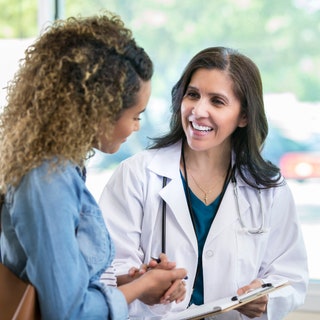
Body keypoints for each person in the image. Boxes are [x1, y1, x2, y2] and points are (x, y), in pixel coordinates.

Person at [0, 12, 188, 320]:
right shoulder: (47, 182)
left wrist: (134, 283)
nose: (137, 127)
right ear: (99, 111)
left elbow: (65, 284)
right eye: (135, 116)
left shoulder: (62, 170)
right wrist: (140, 288)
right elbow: (70, 312)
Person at [100, 46, 309, 319]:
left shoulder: (269, 188)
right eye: (193, 95)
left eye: (217, 101)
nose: (198, 111)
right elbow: (105, 271)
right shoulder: (136, 175)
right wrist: (141, 282)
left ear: (244, 116)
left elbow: (290, 275)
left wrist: (265, 296)